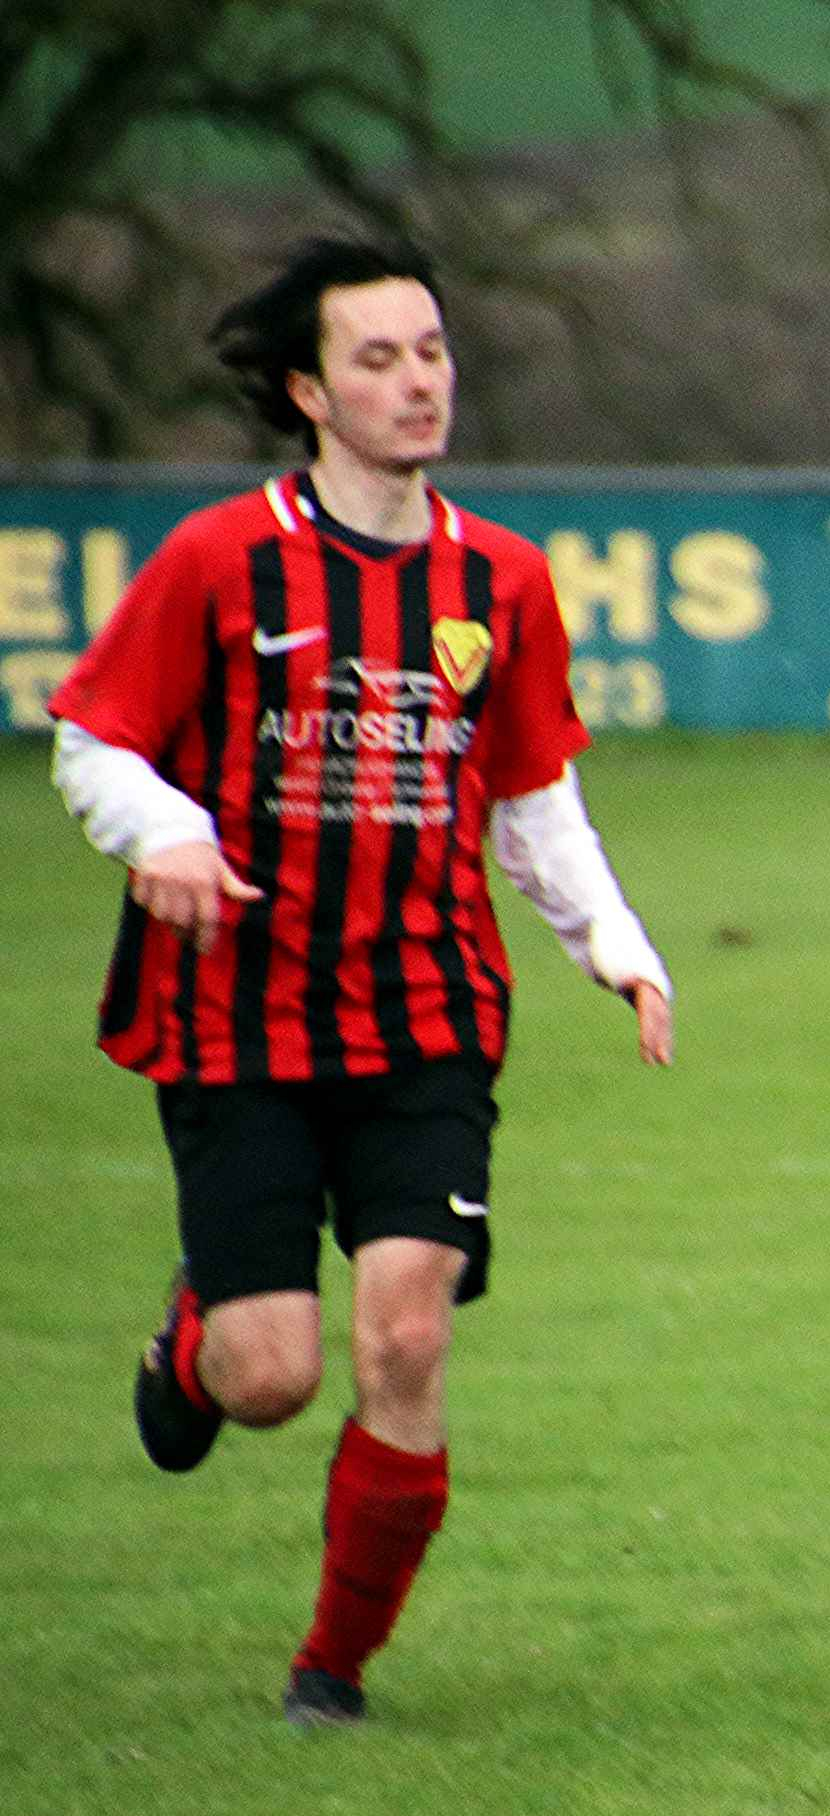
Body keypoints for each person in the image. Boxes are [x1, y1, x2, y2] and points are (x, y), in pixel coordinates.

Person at [46, 236, 675, 1728]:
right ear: (308, 393)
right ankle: (201, 1339)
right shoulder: (221, 559)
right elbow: (93, 737)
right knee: (271, 1377)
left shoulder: (500, 579)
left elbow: (531, 794)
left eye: (431, 351)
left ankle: (332, 1669)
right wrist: (164, 830)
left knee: (407, 1329)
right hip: (237, 1017)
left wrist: (614, 939)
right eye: (377, 358)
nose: (416, 382)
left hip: (426, 1015)